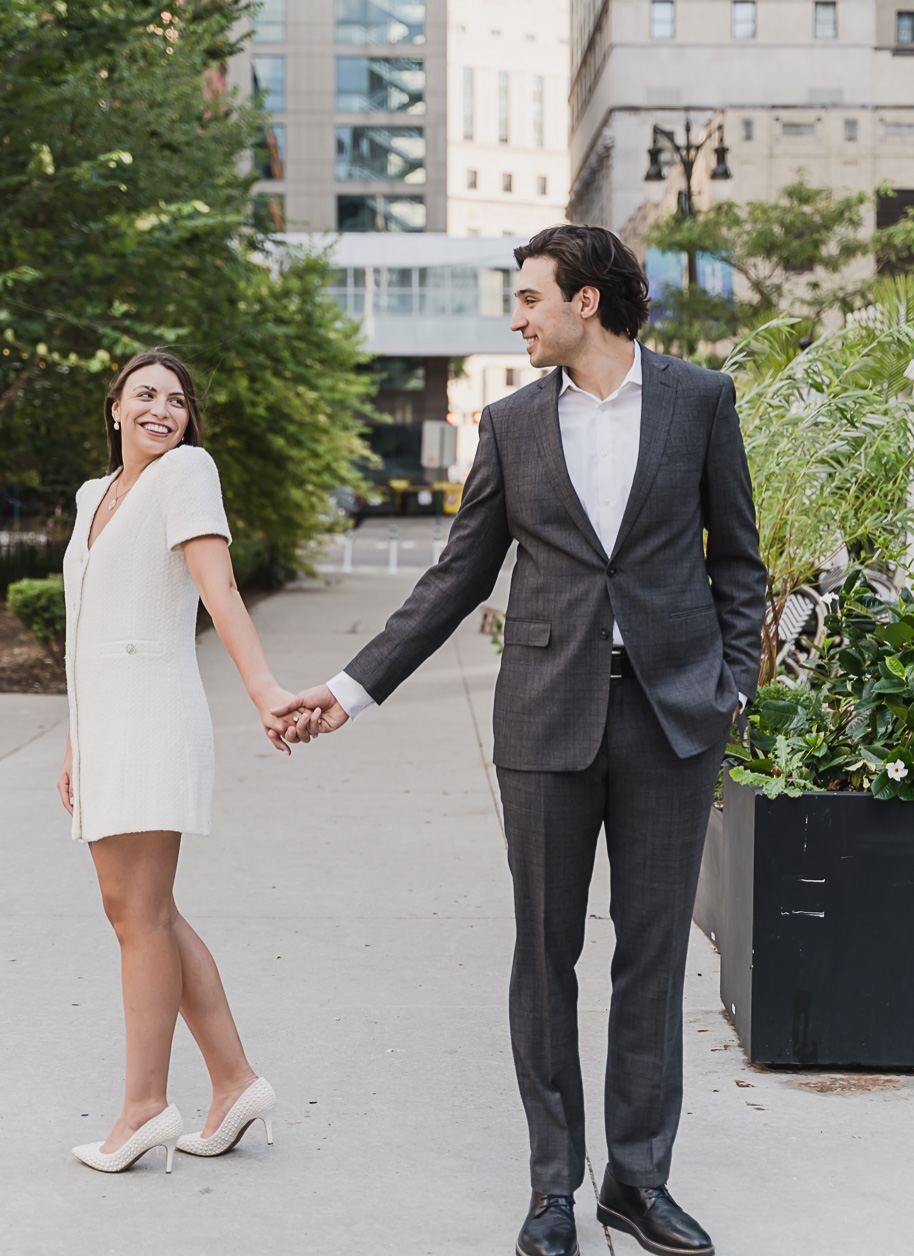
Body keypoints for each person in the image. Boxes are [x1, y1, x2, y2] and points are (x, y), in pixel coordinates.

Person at [274, 226, 767, 1256]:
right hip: (543, 719)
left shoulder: (698, 401)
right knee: (544, 956)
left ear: (585, 301)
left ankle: (635, 1183)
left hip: (671, 717)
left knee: (650, 957)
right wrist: (347, 689)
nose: (516, 316)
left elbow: (738, 565)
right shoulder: (506, 424)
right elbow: (454, 577)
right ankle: (553, 1189)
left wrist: (729, 689)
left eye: (529, 298)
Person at [60, 350, 298, 1174]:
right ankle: (232, 1080)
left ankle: (143, 1108)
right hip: (106, 726)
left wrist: (264, 689)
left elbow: (219, 590)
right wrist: (72, 741)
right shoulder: (95, 497)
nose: (163, 409)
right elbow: (86, 628)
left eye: (177, 400)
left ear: (189, 419)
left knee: (140, 915)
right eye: (146, 396)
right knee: (141, 911)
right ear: (114, 409)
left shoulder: (186, 472)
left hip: (154, 717)